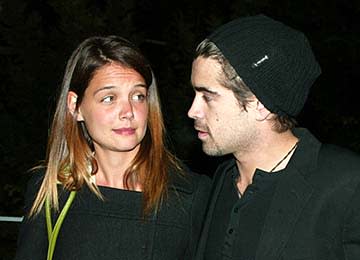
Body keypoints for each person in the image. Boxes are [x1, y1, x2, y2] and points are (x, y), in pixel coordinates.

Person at [15, 35, 211, 260]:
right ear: (75, 106)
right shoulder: (51, 190)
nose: (128, 111)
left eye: (138, 96)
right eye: (109, 98)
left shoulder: (191, 195)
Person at [188, 14, 360, 260]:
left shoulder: (346, 185)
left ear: (260, 104)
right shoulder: (220, 181)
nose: (192, 111)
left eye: (208, 96)